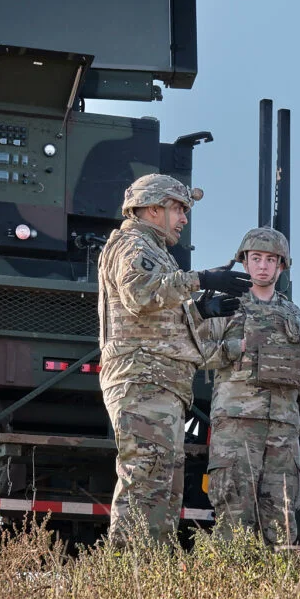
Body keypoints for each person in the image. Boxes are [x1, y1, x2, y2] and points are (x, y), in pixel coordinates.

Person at [97, 173, 252, 549]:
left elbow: (152, 315)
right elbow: (139, 294)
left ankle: (147, 578)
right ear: (153, 209)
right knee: (147, 483)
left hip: (159, 383)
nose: (183, 219)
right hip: (143, 381)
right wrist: (199, 279)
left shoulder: (153, 249)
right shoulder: (134, 244)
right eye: (178, 209)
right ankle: (126, 578)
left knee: (162, 490)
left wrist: (198, 310)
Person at [201, 227, 300, 546]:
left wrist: (296, 360)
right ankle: (229, 593)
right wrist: (233, 348)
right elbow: (196, 351)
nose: (263, 266)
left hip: (283, 428)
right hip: (236, 425)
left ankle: (278, 593)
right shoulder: (225, 307)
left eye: (271, 259)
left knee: (282, 518)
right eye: (256, 258)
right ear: (244, 262)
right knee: (234, 516)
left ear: (282, 266)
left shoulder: (294, 315)